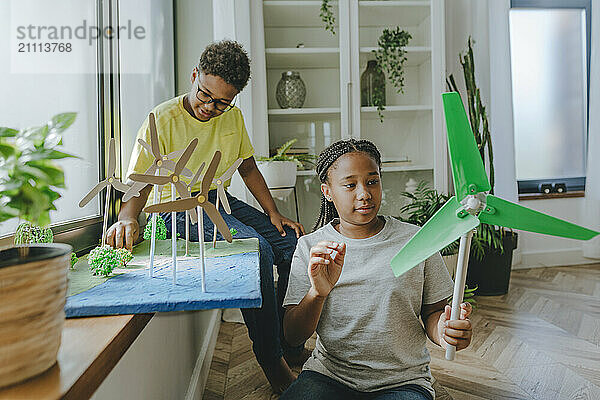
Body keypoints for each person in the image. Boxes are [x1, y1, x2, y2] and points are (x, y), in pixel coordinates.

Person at [105, 40, 306, 393]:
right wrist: (126, 219)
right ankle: (271, 360)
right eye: (205, 95)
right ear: (195, 75)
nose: (210, 108)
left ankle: (290, 344)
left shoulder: (233, 117)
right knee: (255, 250)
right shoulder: (161, 119)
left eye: (222, 102)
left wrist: (274, 212)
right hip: (176, 208)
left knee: (291, 243)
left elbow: (247, 166)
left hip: (217, 199)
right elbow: (139, 183)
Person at [280, 139, 473, 400]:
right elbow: (292, 336)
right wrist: (317, 293)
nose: (364, 194)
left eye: (372, 181)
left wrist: (445, 331)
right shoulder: (310, 247)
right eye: (350, 185)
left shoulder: (417, 241)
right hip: (329, 376)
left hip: (403, 382)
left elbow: (433, 313)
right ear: (327, 191)